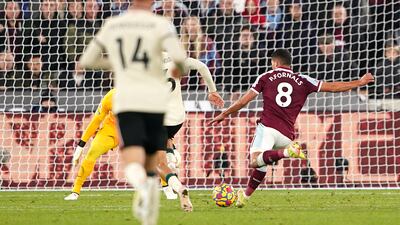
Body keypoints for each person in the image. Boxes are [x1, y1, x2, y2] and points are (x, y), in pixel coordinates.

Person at [210, 49, 374, 208]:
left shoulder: (266, 76)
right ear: (289, 64)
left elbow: (242, 102)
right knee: (262, 163)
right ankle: (244, 197)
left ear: (274, 62)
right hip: (287, 135)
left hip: (267, 128)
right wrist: (359, 82)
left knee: (255, 161)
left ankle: (287, 153)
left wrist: (224, 114)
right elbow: (333, 87)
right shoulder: (303, 80)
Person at [78, 0, 187, 224]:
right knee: (151, 158)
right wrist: (176, 68)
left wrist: (119, 64)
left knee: (132, 159)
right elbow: (181, 62)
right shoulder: (161, 25)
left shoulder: (113, 24)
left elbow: (87, 61)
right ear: (150, 3)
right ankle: (150, 186)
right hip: (155, 100)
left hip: (128, 99)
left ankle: (141, 185)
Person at [160, 52, 224, 200]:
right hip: (178, 118)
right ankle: (171, 155)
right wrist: (212, 91)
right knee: (166, 138)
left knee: (155, 155)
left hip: (159, 118)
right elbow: (202, 66)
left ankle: (172, 159)